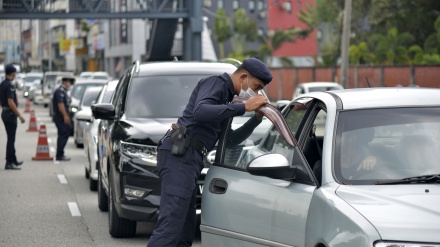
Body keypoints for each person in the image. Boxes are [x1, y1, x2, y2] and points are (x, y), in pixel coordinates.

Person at [147, 58, 272, 247]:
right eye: (256, 87)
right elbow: (200, 111)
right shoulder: (217, 84)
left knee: (184, 232)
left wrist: (255, 119)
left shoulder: (227, 99)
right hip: (180, 155)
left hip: (190, 159)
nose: (255, 93)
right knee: (170, 228)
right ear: (244, 77)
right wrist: (244, 107)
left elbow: (230, 139)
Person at [0, 64, 26, 170]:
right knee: (11, 139)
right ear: (13, 73)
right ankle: (9, 162)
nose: (16, 74)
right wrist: (19, 115)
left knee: (11, 138)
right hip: (10, 114)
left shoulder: (2, 84)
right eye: (15, 72)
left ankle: (13, 159)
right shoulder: (10, 85)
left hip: (5, 113)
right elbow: (11, 102)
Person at [52, 77, 74, 161]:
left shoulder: (64, 91)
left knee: (65, 133)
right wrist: (65, 116)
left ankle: (60, 153)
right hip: (60, 117)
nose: (70, 84)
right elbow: (60, 104)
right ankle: (59, 155)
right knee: (63, 134)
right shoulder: (59, 91)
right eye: (69, 82)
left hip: (62, 116)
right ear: (65, 82)